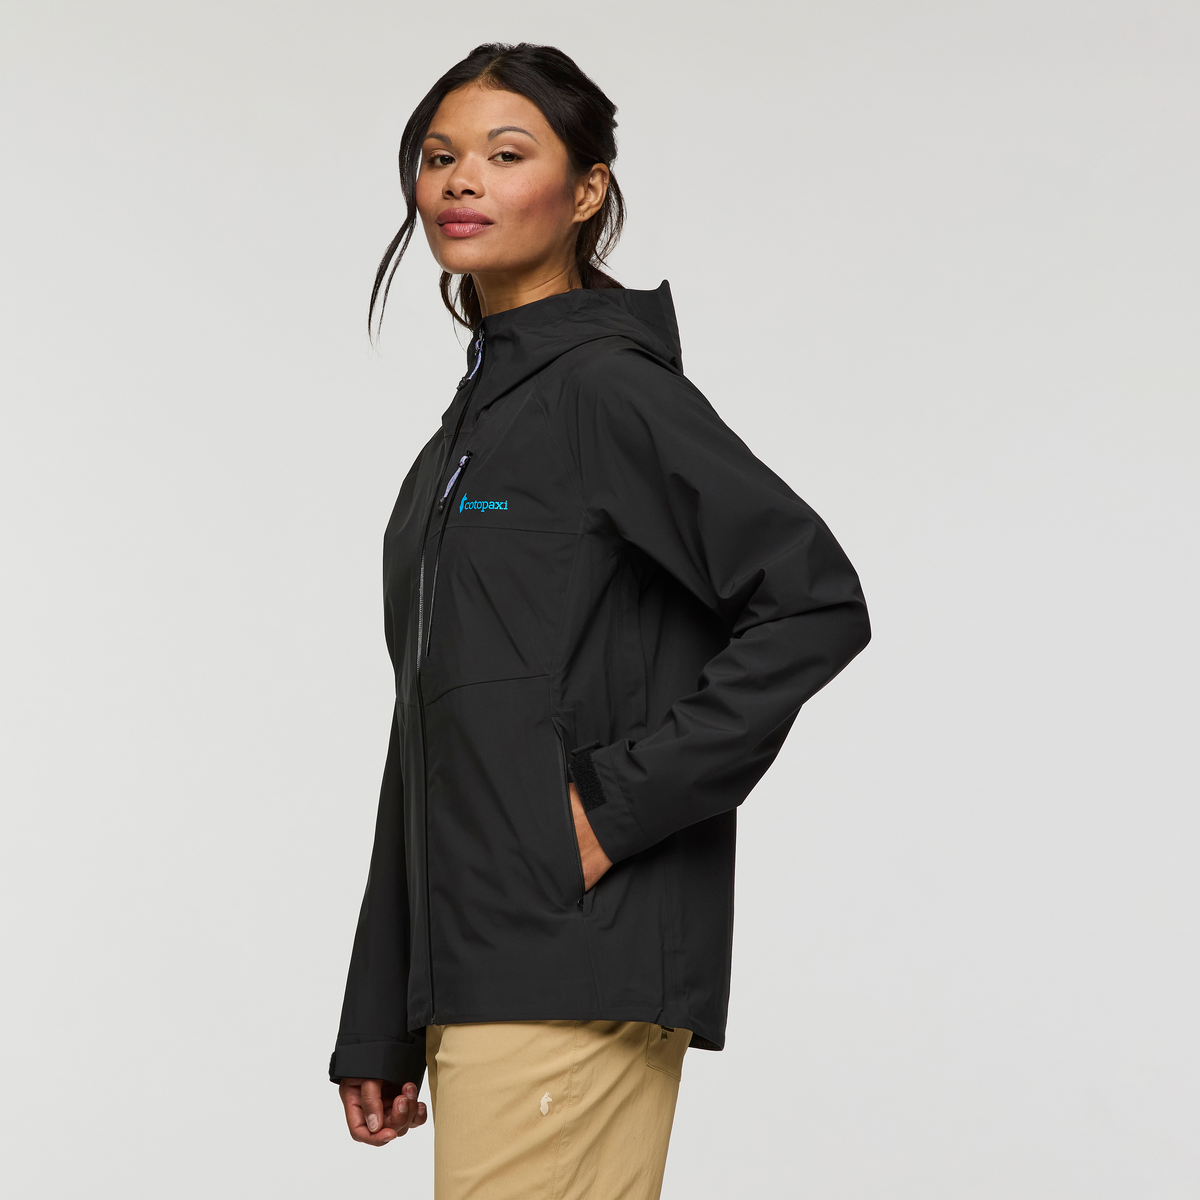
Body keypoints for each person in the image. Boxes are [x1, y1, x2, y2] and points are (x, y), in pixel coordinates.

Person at [330, 41, 871, 1200]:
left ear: (586, 191)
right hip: (483, 971)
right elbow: (432, 730)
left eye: (504, 153)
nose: (460, 180)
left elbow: (812, 600)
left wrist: (605, 814)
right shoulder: (468, 438)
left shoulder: (607, 391)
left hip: (569, 961)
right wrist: (381, 1008)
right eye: (439, 156)